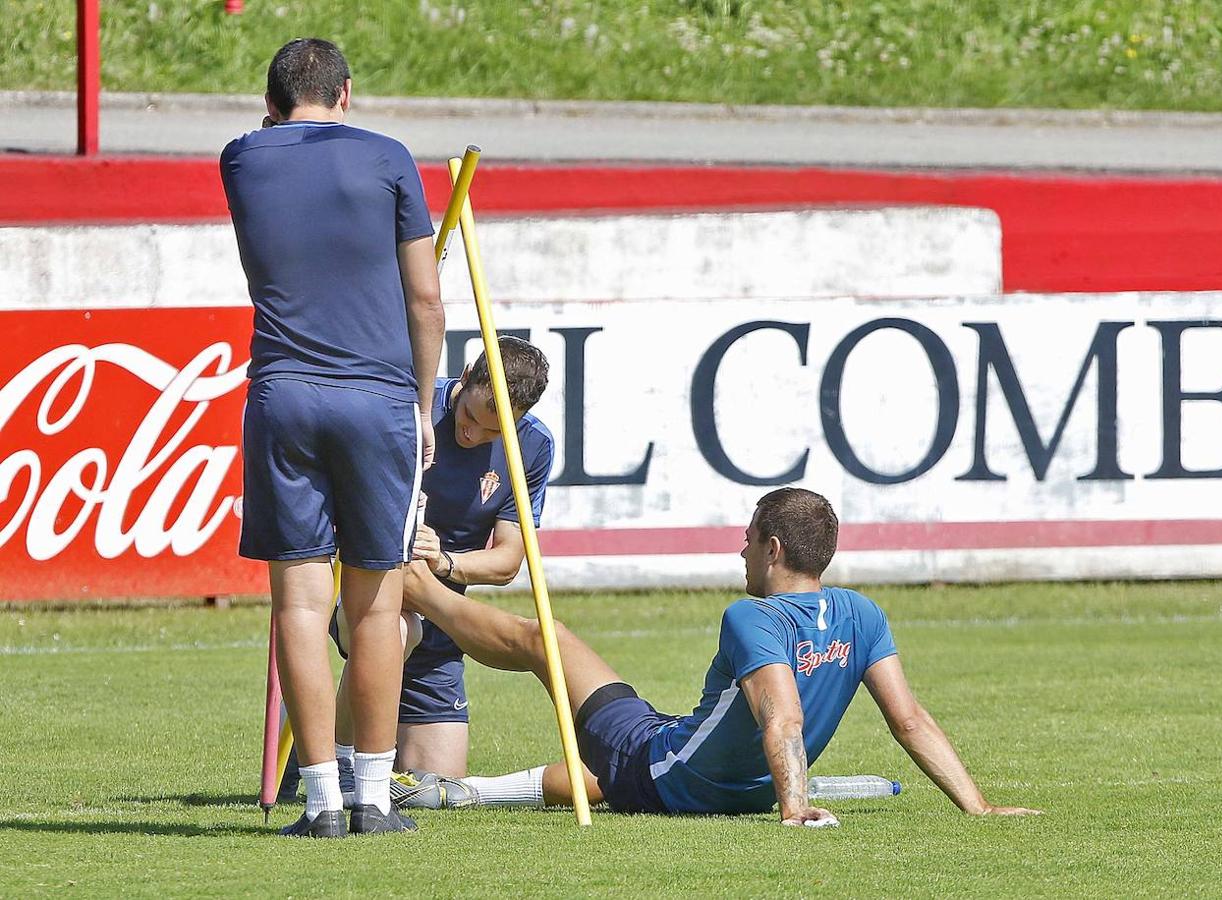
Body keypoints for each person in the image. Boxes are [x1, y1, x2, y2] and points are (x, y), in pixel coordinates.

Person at [400, 488, 1040, 823]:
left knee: (548, 640)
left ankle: (416, 587)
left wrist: (794, 809)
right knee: (605, 778)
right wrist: (976, 805)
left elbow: (782, 717)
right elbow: (910, 720)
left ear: (775, 549)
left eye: (749, 539)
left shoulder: (752, 615)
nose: (741, 552)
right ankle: (466, 794)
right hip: (738, 789)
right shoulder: (863, 613)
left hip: (665, 770)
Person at [220, 37, 444, 837]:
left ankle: (317, 801)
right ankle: (374, 799)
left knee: (299, 607)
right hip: (378, 395)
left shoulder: (242, 160)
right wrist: (423, 403)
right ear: (346, 93)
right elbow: (425, 300)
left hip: (284, 393)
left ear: (273, 102)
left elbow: (272, 147)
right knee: (377, 608)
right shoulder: (390, 158)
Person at [322, 338, 553, 806]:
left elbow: (508, 561)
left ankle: (342, 729)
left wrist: (445, 561)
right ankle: (335, 759)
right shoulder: (410, 410)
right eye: (468, 419)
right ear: (466, 377)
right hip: (375, 601)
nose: (472, 435)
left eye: (491, 435)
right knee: (397, 630)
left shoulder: (533, 446)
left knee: (434, 790)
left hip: (444, 624)